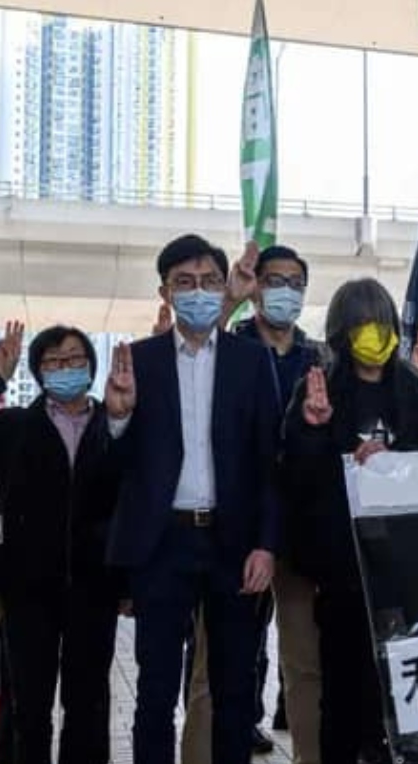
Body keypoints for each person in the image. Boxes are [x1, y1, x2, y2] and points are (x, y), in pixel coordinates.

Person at [104, 234, 281, 764]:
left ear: (222, 287)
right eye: (184, 283)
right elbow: (116, 468)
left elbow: (271, 463)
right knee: (154, 693)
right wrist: (117, 417)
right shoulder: (139, 361)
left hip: (234, 545)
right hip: (163, 545)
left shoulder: (252, 362)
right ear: (165, 292)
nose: (197, 292)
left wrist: (266, 545)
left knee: (233, 691)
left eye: (208, 282)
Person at [0, 322, 122, 764]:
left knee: (88, 705)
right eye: (53, 362)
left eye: (75, 358)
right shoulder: (15, 425)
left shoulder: (113, 426)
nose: (65, 368)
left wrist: (126, 584)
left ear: (91, 366)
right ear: (38, 372)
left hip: (94, 587)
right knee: (28, 707)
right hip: (27, 590)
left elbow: (127, 504)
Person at [280, 277, 418, 764]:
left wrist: (396, 463)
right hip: (342, 570)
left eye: (383, 324)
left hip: (400, 567)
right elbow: (295, 475)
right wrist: (315, 431)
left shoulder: (412, 387)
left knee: (395, 691)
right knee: (342, 693)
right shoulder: (318, 387)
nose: (376, 335)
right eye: (363, 325)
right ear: (342, 333)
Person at [180, 242, 327, 764]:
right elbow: (188, 346)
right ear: (256, 286)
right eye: (273, 280)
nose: (283, 291)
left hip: (303, 535)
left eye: (294, 282)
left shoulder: (320, 360)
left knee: (306, 667)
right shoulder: (226, 346)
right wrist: (230, 301)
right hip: (235, 534)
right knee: (214, 668)